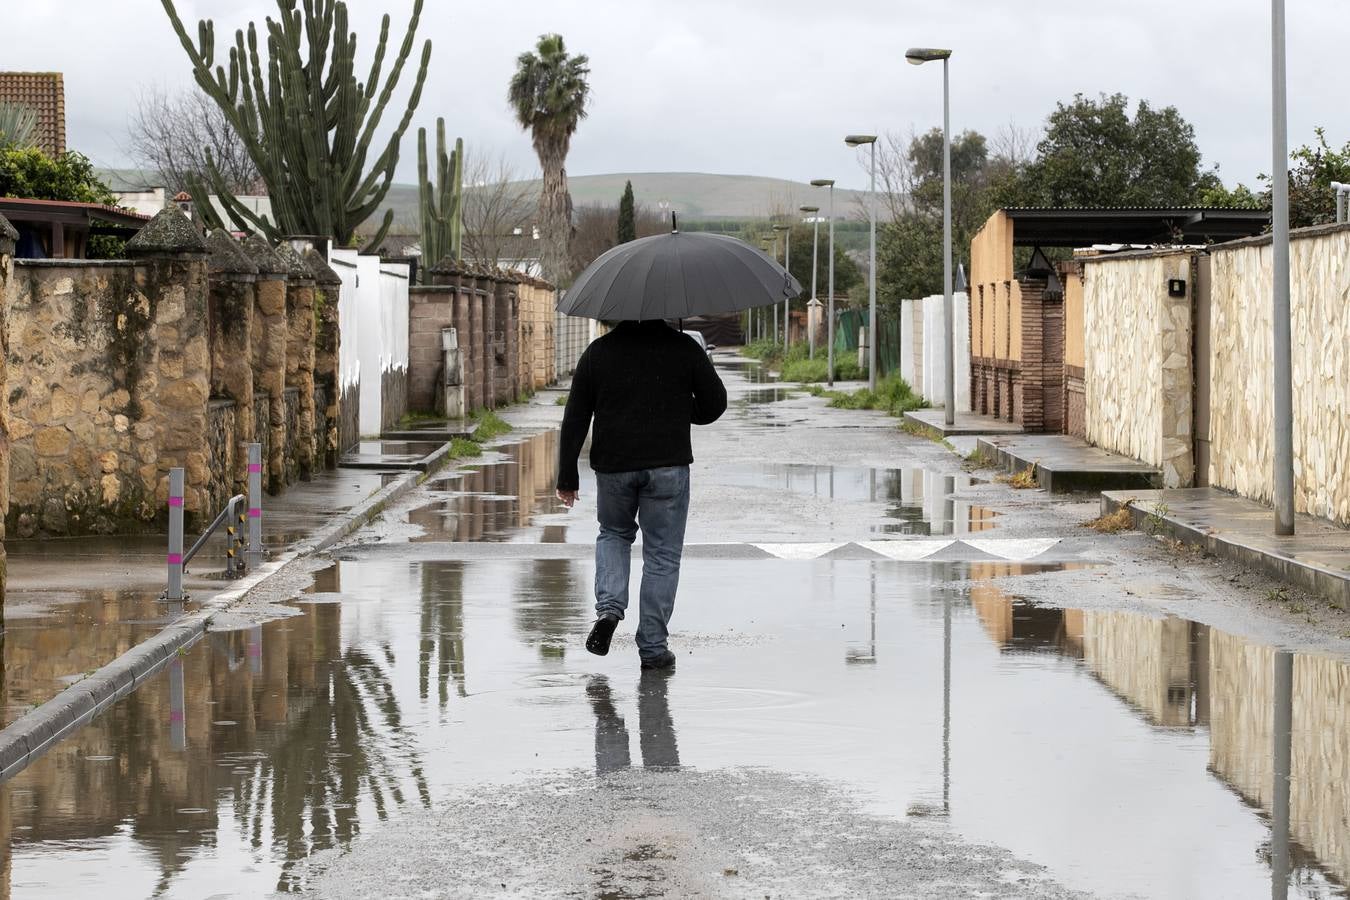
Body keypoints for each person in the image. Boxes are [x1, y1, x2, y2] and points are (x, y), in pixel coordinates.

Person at [556, 320, 727, 670]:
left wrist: (568, 474)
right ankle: (652, 648)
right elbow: (715, 403)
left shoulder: (598, 352)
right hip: (668, 466)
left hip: (614, 467)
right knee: (662, 555)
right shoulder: (684, 348)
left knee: (614, 534)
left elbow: (575, 416)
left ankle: (608, 610)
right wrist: (683, 410)